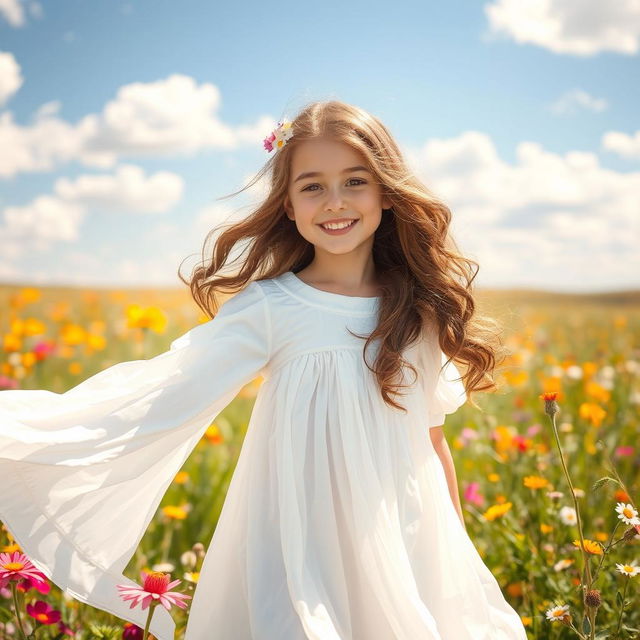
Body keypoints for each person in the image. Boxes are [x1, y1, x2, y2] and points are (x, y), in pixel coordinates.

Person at [0, 100, 527, 639]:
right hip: (300, 551)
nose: (335, 202)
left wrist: (456, 560)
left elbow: (432, 442)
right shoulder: (273, 308)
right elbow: (160, 393)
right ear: (288, 207)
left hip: (407, 543)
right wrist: (25, 433)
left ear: (387, 193)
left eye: (354, 181)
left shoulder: (419, 311)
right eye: (312, 186)